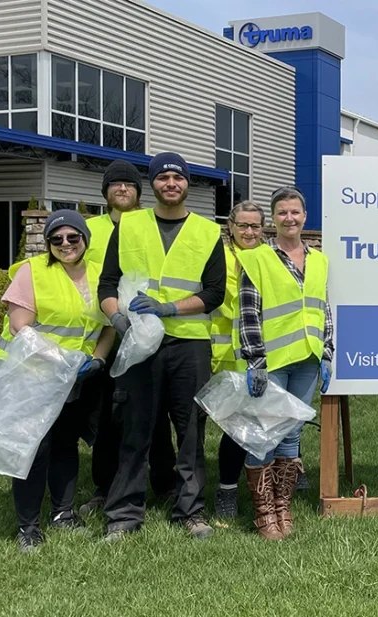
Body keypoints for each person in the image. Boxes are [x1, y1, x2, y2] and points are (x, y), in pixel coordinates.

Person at [98, 152, 227, 541]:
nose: (171, 183)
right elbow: (107, 284)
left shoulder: (207, 232)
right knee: (136, 427)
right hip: (140, 342)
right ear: (151, 184)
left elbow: (215, 293)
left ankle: (190, 512)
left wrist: (170, 308)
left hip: (190, 345)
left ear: (188, 184)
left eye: (178, 177)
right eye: (163, 177)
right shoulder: (130, 225)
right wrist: (117, 317)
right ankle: (123, 515)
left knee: (190, 431)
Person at [0, 209, 114, 552]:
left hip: (76, 376)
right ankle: (28, 527)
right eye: (56, 239)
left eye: (72, 237)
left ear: (84, 240)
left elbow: (107, 324)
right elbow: (20, 326)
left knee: (64, 443)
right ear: (47, 244)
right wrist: (60, 362)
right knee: (34, 449)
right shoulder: (32, 272)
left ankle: (63, 512)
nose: (65, 243)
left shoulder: (98, 274)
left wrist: (99, 359)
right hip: (34, 375)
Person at [79, 159, 177, 517]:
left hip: (151, 335)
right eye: (115, 184)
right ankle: (105, 486)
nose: (122, 189)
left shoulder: (150, 224)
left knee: (158, 412)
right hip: (107, 334)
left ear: (139, 191)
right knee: (108, 417)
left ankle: (164, 481)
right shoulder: (88, 229)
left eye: (129, 184)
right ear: (105, 192)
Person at [237, 186, 333, 541]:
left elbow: (323, 308)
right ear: (272, 219)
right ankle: (263, 514)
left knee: (291, 435)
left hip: (308, 359)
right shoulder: (258, 258)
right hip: (272, 360)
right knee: (264, 435)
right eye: (282, 213)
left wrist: (327, 353)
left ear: (304, 217)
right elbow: (248, 311)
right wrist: (255, 360)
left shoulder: (319, 260)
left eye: (295, 212)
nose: (289, 218)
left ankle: (282, 507)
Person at [212, 200, 266, 519]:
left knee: (252, 425)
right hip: (219, 354)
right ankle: (225, 490)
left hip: (257, 355)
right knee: (230, 428)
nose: (248, 231)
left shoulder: (269, 258)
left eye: (255, 226)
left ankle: (253, 489)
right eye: (242, 225)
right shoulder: (217, 256)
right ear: (230, 225)